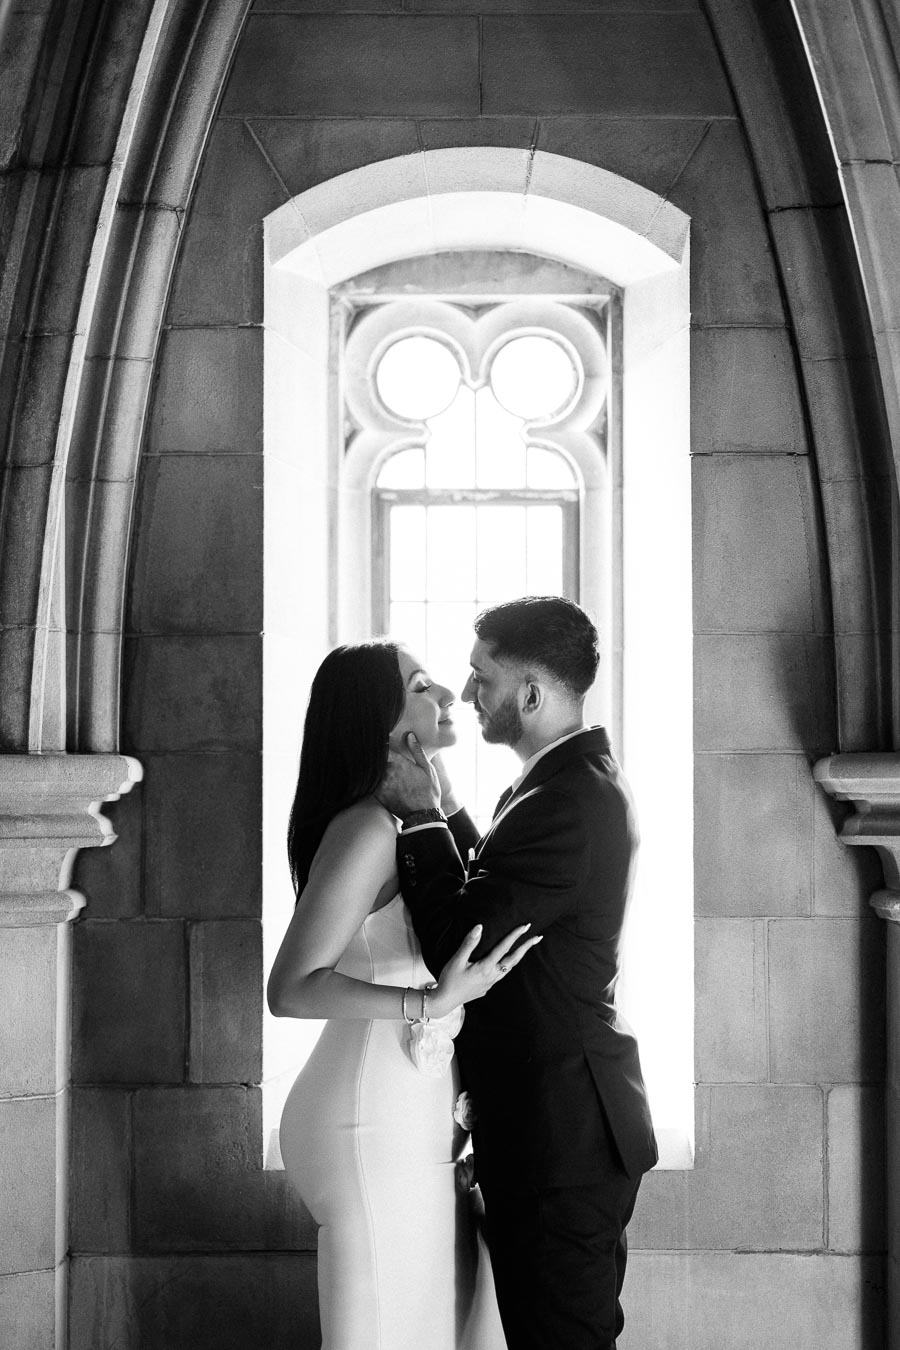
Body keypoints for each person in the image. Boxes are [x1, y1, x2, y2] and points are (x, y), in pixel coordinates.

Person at [378, 596, 658, 1350]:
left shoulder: (566, 798)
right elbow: (500, 887)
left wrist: (418, 816)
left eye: (481, 678)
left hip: (561, 1138)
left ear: (531, 694)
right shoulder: (565, 779)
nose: (467, 695)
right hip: (556, 1125)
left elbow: (459, 947)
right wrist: (451, 807)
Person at [267, 640, 539, 1350]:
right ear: (383, 723)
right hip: (365, 1117)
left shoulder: (414, 823)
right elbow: (291, 988)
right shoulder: (366, 828)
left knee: (441, 1323)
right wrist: (430, 1003)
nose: (448, 692)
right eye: (423, 685)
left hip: (415, 1116)